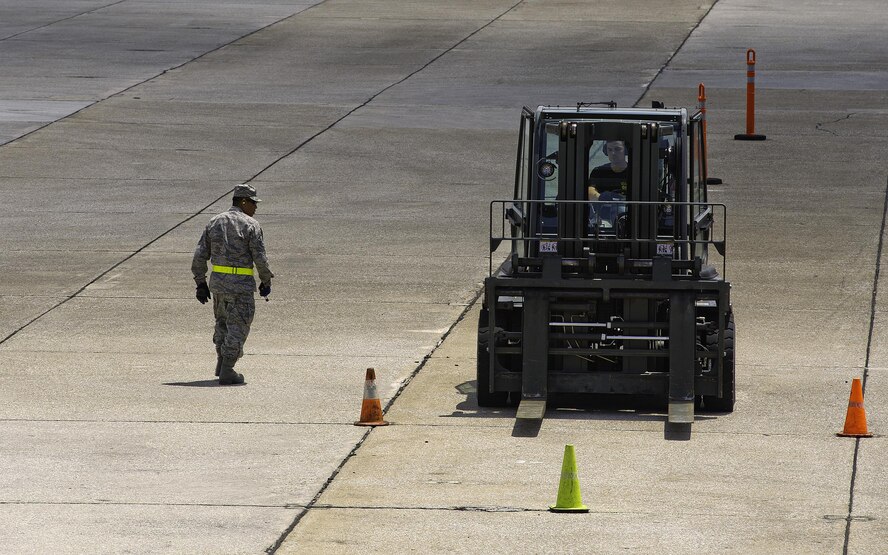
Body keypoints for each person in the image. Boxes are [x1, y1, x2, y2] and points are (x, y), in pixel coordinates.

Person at [192, 183, 274, 385]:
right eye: (253, 203)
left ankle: (221, 363)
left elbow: (199, 255)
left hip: (218, 286)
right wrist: (266, 280)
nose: (255, 207)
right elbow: (260, 257)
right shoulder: (250, 225)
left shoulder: (214, 222)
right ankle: (228, 369)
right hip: (240, 287)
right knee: (239, 325)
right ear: (243, 201)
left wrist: (200, 283)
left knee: (222, 323)